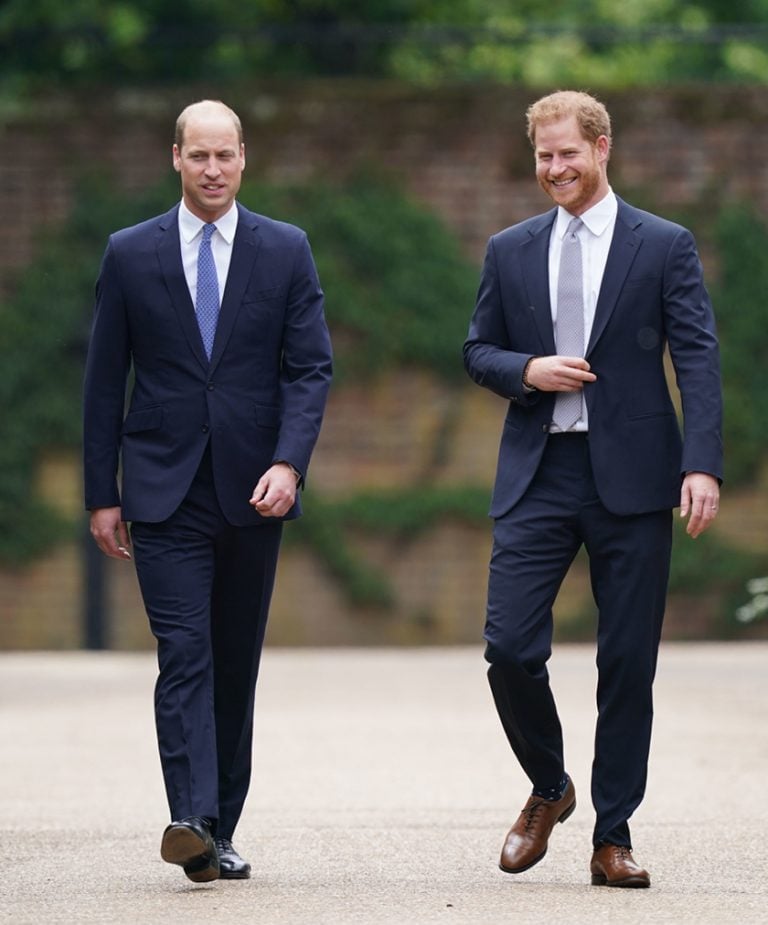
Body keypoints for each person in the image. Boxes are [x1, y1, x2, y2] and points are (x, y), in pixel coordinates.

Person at [463, 90, 722, 888]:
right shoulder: (510, 249)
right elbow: (478, 350)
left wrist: (702, 463)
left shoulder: (663, 244)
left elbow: (699, 357)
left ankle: (613, 834)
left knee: (627, 663)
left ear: (602, 147)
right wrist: (526, 370)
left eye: (567, 153)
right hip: (540, 470)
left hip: (637, 478)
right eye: (543, 156)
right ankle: (550, 784)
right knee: (508, 646)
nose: (554, 168)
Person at [83, 99, 332, 883]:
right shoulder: (130, 253)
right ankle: (188, 816)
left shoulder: (285, 250)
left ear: (244, 158)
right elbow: (102, 383)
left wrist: (290, 464)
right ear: (176, 158)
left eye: (226, 155)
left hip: (256, 490)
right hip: (162, 491)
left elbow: (310, 369)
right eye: (200, 156)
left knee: (233, 662)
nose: (213, 169)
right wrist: (102, 492)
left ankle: (219, 825)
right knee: (183, 652)